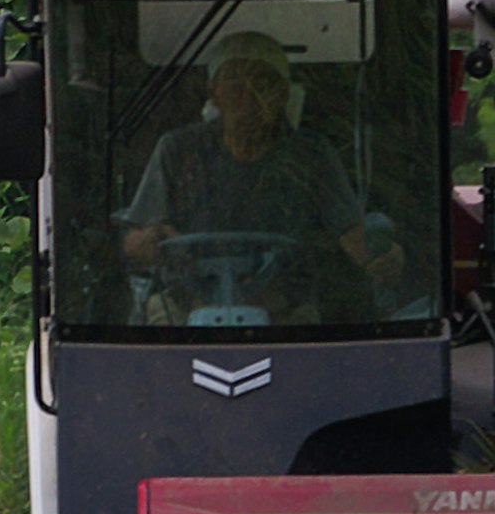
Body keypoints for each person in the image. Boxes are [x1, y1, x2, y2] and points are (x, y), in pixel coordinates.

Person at [120, 35, 373, 321]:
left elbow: (354, 238)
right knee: (154, 323)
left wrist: (380, 252)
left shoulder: (311, 155)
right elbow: (134, 241)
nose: (248, 96)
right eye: (234, 82)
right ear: (213, 91)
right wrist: (148, 240)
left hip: (286, 310)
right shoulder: (177, 150)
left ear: (283, 93)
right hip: (188, 304)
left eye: (263, 83)